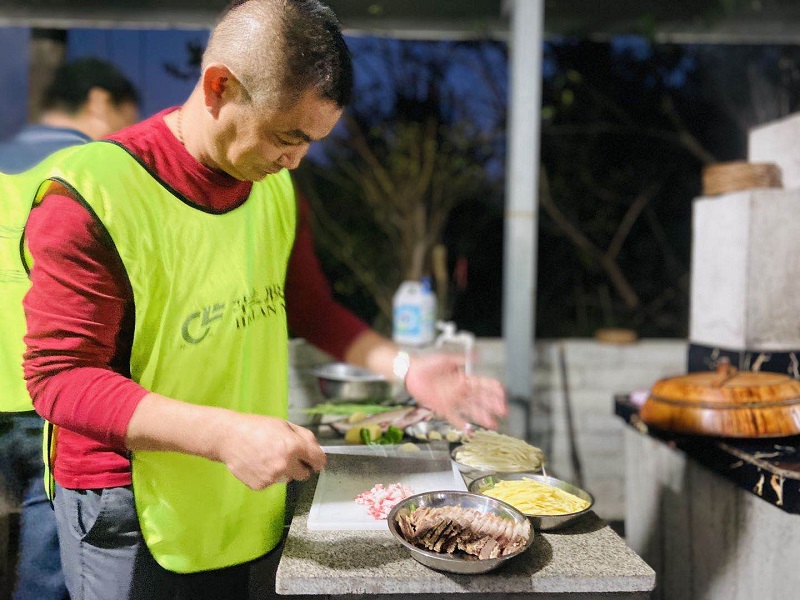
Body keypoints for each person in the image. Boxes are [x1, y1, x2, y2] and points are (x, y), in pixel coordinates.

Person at [19, 1, 506, 598]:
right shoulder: (92, 193)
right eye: (286, 136)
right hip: (130, 502)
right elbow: (60, 378)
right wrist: (224, 435)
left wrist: (407, 368)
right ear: (219, 87)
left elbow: (310, 307)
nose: (296, 159)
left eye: (311, 142)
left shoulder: (273, 188)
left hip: (246, 488)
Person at [0, 57, 139, 600]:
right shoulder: (89, 171)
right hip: (50, 401)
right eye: (127, 115)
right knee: (48, 570)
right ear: (99, 101)